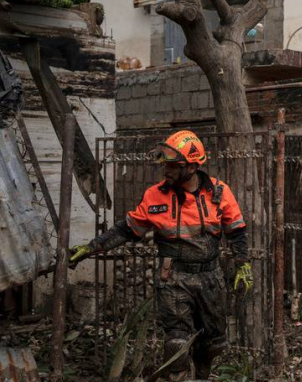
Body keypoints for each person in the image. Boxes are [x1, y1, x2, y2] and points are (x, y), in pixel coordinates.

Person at [69, 130, 252, 380]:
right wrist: (91, 247)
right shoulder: (155, 195)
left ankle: (201, 374)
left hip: (211, 279)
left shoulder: (219, 192)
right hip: (173, 279)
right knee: (176, 343)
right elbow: (127, 229)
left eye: (172, 166)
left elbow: (237, 231)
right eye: (165, 164)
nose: (165, 170)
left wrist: (243, 265)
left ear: (191, 166)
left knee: (214, 342)